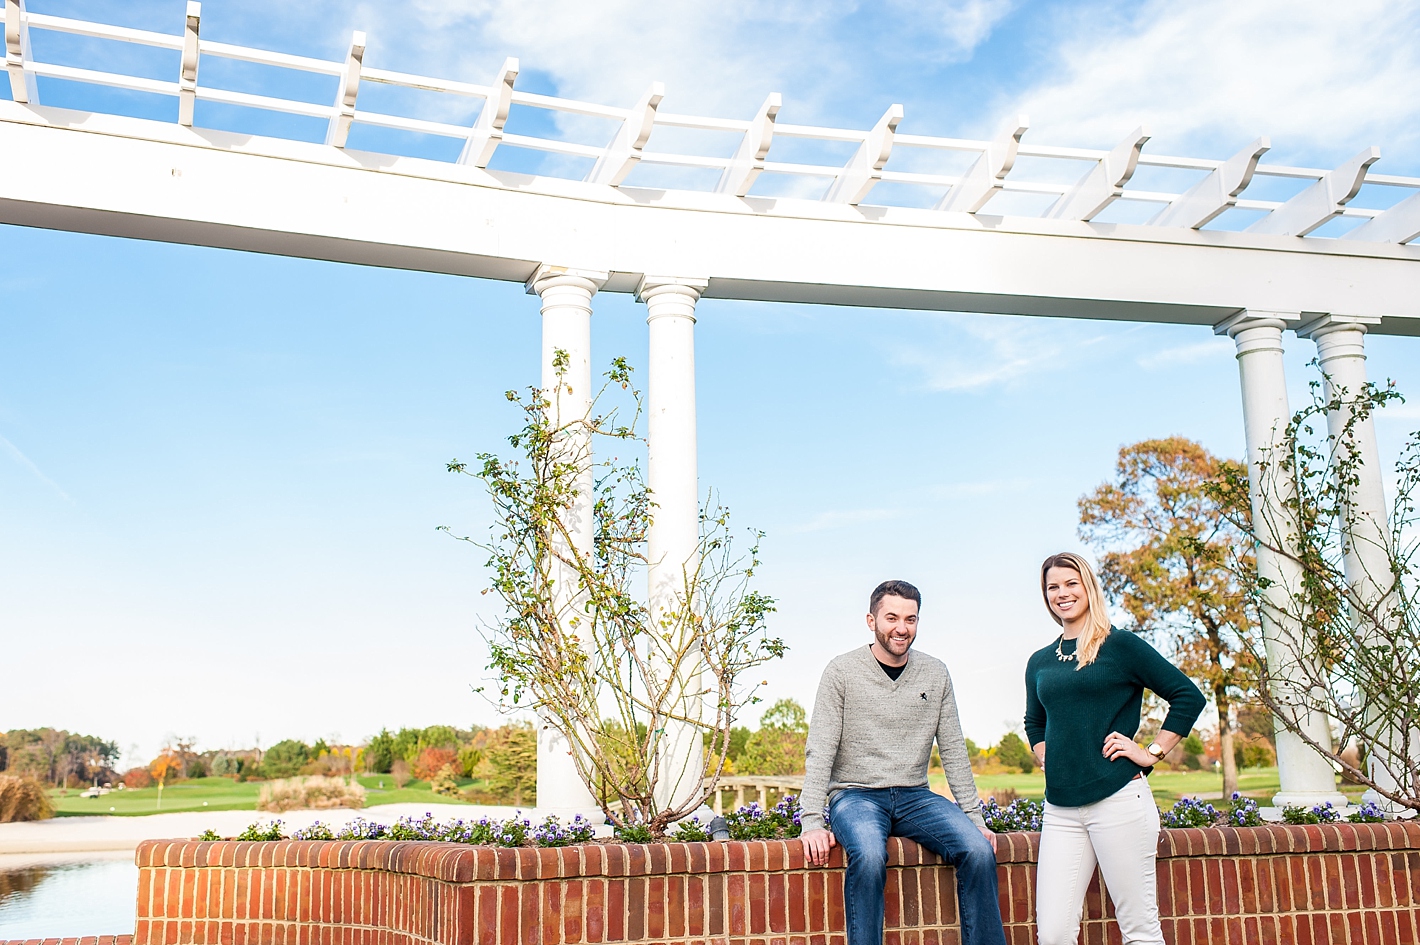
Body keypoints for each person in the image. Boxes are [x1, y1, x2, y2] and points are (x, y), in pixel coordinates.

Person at [799, 580, 1007, 945]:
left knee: (977, 850)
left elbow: (954, 748)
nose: (901, 628)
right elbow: (821, 748)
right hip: (855, 795)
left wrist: (976, 820)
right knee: (867, 854)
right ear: (871, 620)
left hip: (915, 796)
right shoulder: (842, 671)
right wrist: (813, 821)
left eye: (910, 619)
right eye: (892, 617)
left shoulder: (935, 672)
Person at [1025, 552, 1205, 945]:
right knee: (1053, 933)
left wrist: (1151, 752)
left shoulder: (1120, 646)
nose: (1062, 593)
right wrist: (1046, 753)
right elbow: (1034, 722)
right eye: (1052, 587)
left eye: (1071, 583)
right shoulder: (1039, 661)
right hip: (1060, 809)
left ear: (1088, 586)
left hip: (1119, 800)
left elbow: (1187, 696)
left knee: (1139, 930)